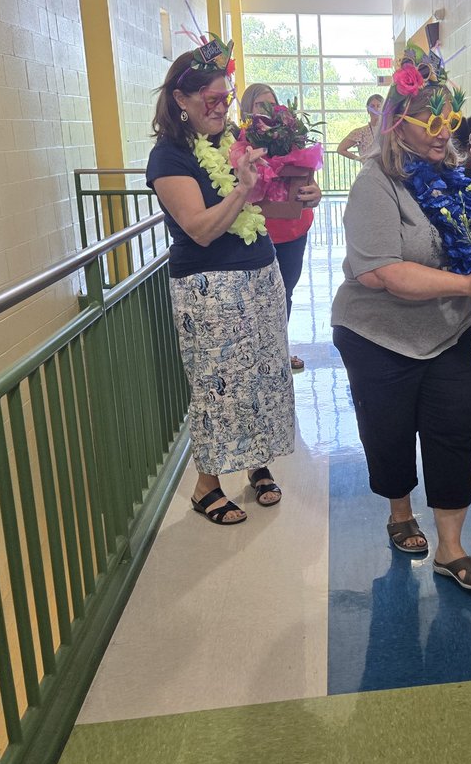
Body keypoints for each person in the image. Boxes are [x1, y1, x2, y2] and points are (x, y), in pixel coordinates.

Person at [331, 46, 471, 591]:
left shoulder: (455, 182)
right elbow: (385, 273)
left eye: (449, 120)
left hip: (446, 331)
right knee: (389, 432)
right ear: (397, 124)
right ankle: (399, 511)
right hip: (377, 334)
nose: (441, 132)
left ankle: (451, 548)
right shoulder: (374, 185)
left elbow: (470, 248)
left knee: (455, 429)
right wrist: (468, 284)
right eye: (429, 120)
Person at [146, 43, 293, 524]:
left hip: (260, 275)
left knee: (264, 376)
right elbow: (202, 228)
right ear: (180, 100)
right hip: (210, 289)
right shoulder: (168, 158)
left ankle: (257, 462)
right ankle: (206, 484)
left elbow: (263, 210)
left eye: (224, 98)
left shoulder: (232, 143)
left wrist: (297, 196)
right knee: (220, 386)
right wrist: (245, 187)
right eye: (209, 100)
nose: (220, 108)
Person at [239, 84, 324, 371]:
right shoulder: (239, 144)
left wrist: (316, 193)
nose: (266, 111)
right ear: (247, 110)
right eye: (260, 105)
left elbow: (307, 179)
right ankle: (256, 354)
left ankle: (279, 351)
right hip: (257, 232)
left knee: (284, 292)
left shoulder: (292, 140)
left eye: (271, 104)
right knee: (256, 296)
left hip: (293, 231)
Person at [336, 94, 384, 162]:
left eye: (379, 106)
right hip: (368, 168)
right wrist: (359, 158)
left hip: (386, 170)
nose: (375, 109)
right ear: (368, 109)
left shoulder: (389, 130)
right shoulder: (361, 132)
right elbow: (340, 149)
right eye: (372, 106)